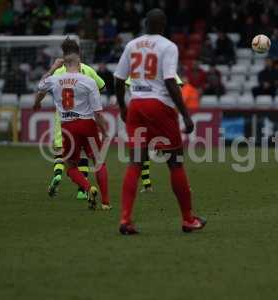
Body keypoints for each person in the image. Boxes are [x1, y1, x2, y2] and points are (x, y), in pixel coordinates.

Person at [114, 8, 206, 235]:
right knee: (175, 162)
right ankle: (188, 220)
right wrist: (185, 114)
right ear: (163, 26)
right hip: (159, 106)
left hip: (135, 104)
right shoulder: (168, 46)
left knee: (135, 162)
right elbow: (170, 81)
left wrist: (123, 107)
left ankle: (125, 219)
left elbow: (118, 79)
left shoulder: (132, 45)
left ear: (146, 24)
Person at [33, 43, 111, 210]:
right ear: (79, 59)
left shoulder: (55, 79)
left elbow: (40, 86)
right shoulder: (89, 81)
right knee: (99, 162)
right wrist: (105, 131)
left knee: (70, 166)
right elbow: (98, 113)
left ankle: (88, 188)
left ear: (63, 62)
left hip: (67, 127)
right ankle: (105, 203)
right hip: (87, 124)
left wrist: (53, 68)